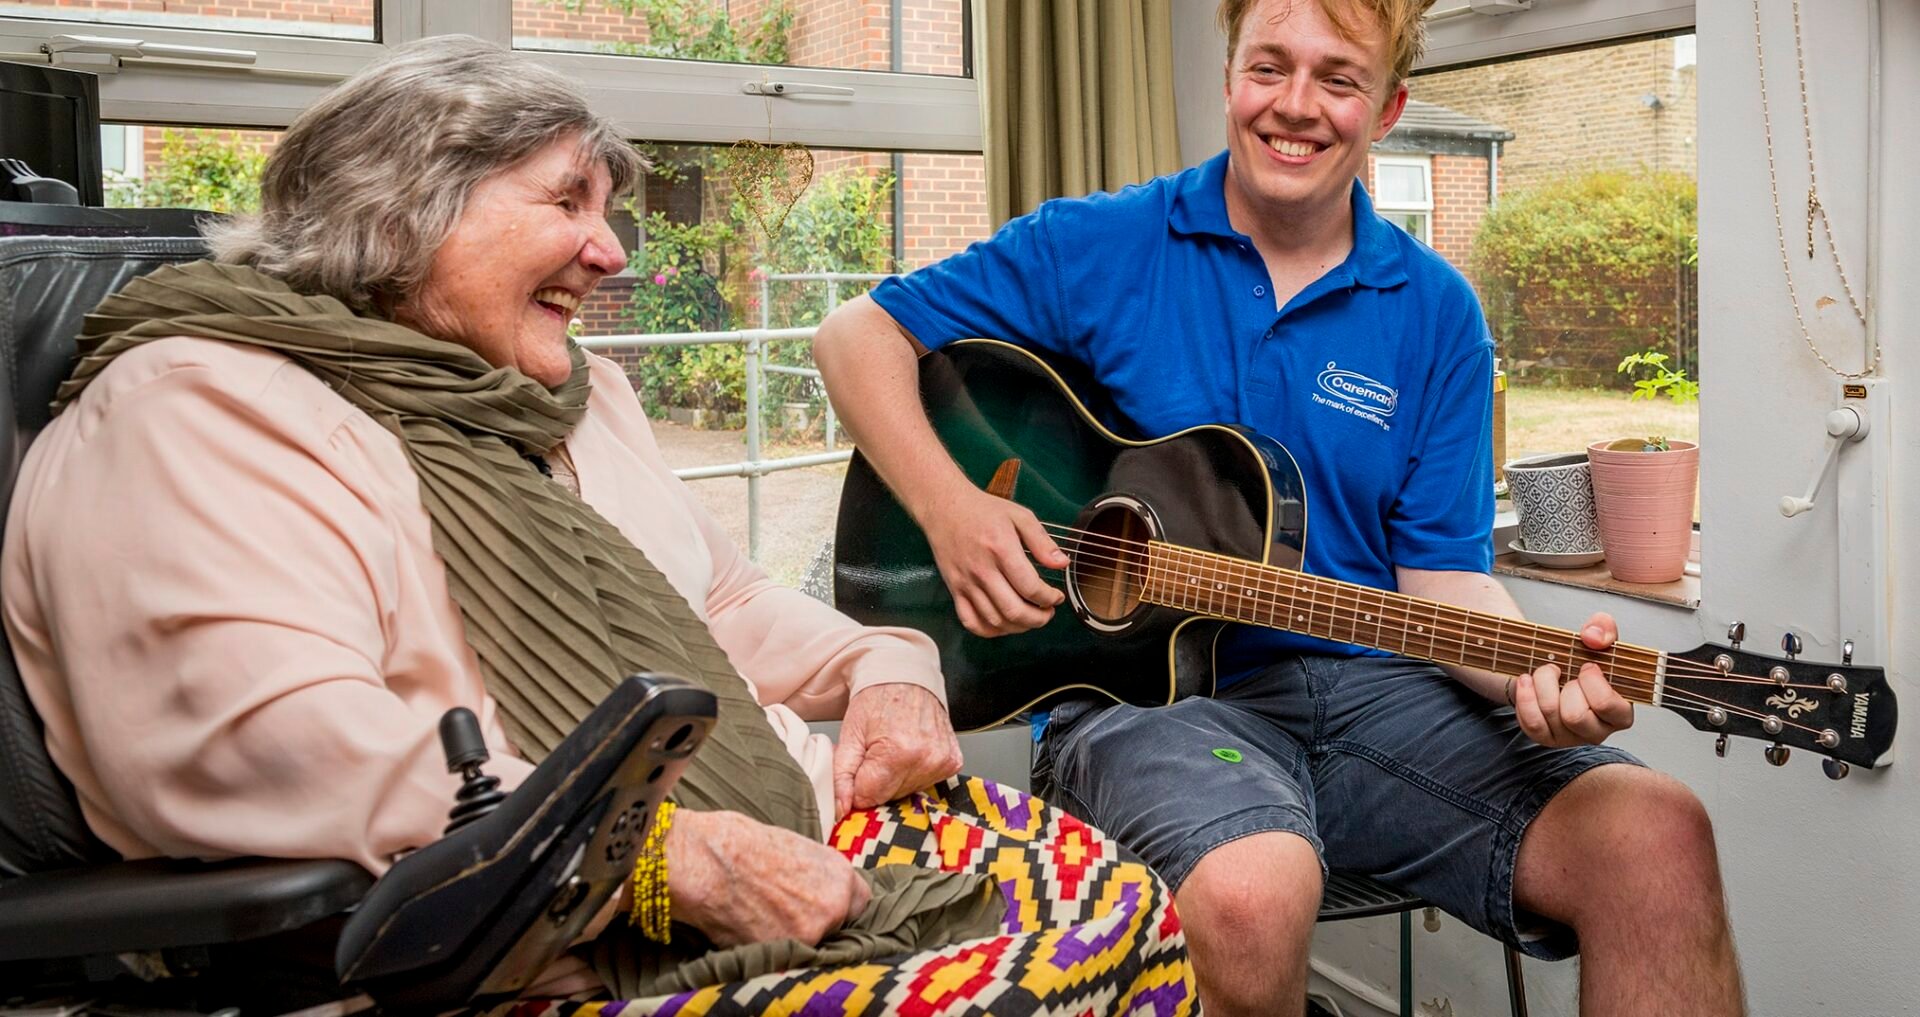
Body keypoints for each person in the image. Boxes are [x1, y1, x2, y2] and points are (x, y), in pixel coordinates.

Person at [0, 36, 1191, 1015]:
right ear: (401, 208)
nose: (613, 251)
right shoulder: (193, 410)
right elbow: (269, 739)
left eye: (607, 207)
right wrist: (664, 860)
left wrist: (892, 667)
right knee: (1076, 982)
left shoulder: (573, 396)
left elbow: (715, 606)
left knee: (1129, 906)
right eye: (567, 200)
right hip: (501, 940)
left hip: (760, 829)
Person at [811, 1, 1743, 1014]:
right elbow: (856, 338)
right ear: (1229, 76)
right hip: (1149, 708)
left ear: (1385, 109)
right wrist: (953, 510)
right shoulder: (1102, 243)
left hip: (1376, 695)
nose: (1295, 107)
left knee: (1657, 831)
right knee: (1256, 892)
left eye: (1337, 80)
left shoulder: (1437, 314)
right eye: (1270, 68)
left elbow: (1442, 573)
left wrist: (1539, 674)